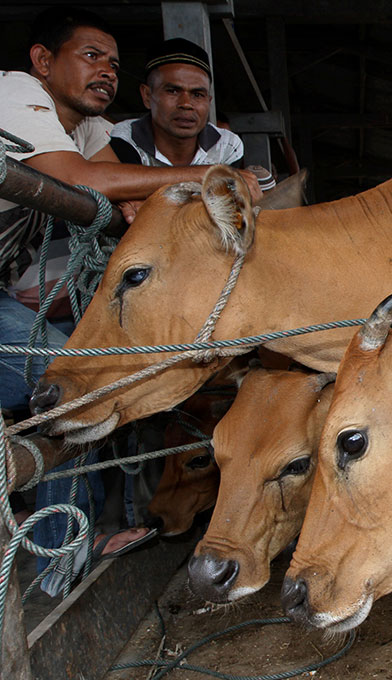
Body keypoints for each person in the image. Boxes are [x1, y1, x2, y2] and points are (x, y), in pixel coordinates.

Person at [0, 7, 258, 592]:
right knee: (78, 385)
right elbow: (87, 182)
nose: (106, 72)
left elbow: (115, 192)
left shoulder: (90, 131)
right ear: (42, 61)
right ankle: (59, 566)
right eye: (91, 56)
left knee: (87, 380)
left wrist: (144, 200)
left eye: (112, 63)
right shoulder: (12, 92)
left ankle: (64, 555)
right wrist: (210, 180)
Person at [109, 38, 275, 193]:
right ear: (147, 95)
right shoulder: (124, 139)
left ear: (209, 101)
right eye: (173, 91)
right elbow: (123, 190)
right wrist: (211, 175)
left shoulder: (226, 145)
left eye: (197, 94)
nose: (186, 104)